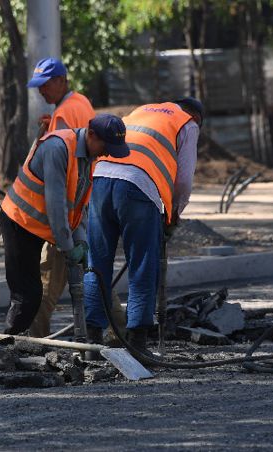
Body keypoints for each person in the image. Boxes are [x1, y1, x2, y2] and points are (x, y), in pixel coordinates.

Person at [82, 98, 203, 354]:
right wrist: (173, 215)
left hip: (101, 178)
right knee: (143, 264)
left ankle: (92, 342)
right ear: (195, 116)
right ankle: (137, 343)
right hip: (137, 187)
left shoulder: (141, 110)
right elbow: (183, 181)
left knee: (97, 263)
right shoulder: (188, 124)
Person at [0, 114, 130, 335]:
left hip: (40, 226)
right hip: (19, 222)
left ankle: (22, 345)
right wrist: (68, 248)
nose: (107, 152)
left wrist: (81, 241)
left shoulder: (89, 156)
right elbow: (56, 205)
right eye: (106, 146)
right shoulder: (57, 149)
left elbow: (77, 205)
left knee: (35, 293)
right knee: (27, 295)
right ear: (91, 135)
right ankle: (6, 346)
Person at [24, 57, 96, 338]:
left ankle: (34, 339)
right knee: (89, 275)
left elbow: (57, 165)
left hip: (67, 208)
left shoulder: (65, 113)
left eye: (44, 85)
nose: (41, 92)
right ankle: (120, 331)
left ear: (60, 81)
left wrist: (61, 225)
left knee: (46, 280)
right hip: (81, 201)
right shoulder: (79, 103)